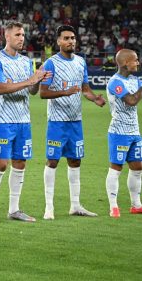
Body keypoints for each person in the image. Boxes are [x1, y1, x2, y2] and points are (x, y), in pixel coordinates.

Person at [0, 21, 50, 224]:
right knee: (1, 163)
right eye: (17, 35)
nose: (22, 38)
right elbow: (0, 88)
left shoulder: (26, 61)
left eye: (23, 35)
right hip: (2, 121)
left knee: (20, 163)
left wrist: (37, 80)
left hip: (23, 120)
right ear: (7, 36)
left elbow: (31, 91)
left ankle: (14, 209)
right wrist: (29, 81)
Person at [40, 25, 105, 219]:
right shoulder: (51, 63)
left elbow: (85, 89)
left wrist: (94, 98)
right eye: (66, 38)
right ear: (59, 41)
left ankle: (75, 205)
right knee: (52, 161)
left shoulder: (80, 62)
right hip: (57, 122)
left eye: (73, 38)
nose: (71, 41)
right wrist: (65, 92)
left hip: (75, 121)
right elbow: (43, 93)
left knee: (75, 160)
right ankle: (49, 207)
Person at [104, 49, 142, 218]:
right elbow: (131, 101)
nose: (138, 63)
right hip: (119, 132)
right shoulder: (115, 82)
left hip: (135, 131)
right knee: (116, 168)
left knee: (137, 167)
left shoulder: (135, 79)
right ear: (126, 63)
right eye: (135, 60)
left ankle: (136, 205)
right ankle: (113, 206)